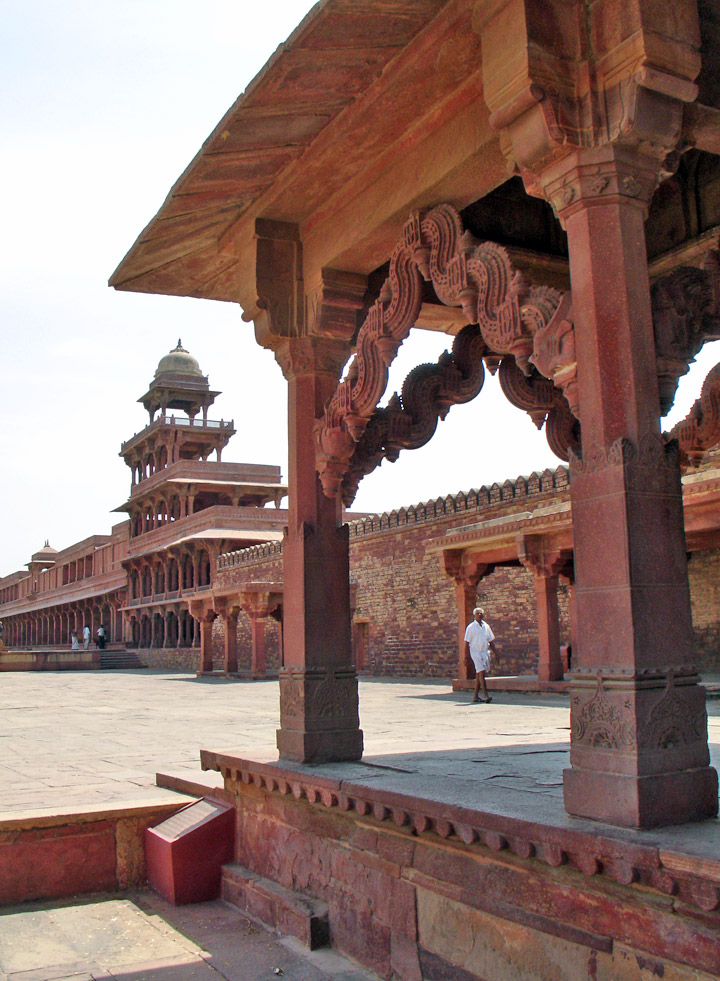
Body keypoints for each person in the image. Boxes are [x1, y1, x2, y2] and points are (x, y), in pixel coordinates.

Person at [464, 607, 498, 704]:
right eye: (478, 613)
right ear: (474, 615)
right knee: (481, 672)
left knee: (479, 673)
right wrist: (466, 657)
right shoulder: (471, 627)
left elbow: (490, 640)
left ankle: (475, 696)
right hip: (475, 652)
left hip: (484, 652)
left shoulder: (486, 626)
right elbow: (466, 643)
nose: (480, 615)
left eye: (481, 613)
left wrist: (496, 653)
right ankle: (485, 695)